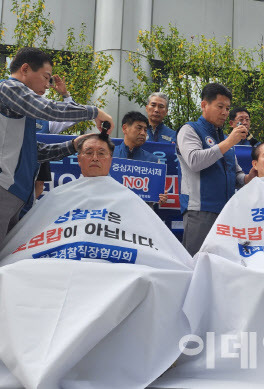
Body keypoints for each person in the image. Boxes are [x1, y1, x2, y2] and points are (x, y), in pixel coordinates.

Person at [0, 47, 114, 245]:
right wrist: (94, 112)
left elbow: (34, 152)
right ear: (25, 69)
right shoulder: (8, 88)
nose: (47, 85)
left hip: (16, 198)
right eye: (46, 77)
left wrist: (73, 145)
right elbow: (49, 109)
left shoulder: (22, 113)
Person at [176, 82, 256, 255]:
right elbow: (194, 161)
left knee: (222, 265)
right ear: (204, 105)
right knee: (195, 264)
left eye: (227, 108)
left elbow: (236, 175)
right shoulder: (189, 130)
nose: (225, 113)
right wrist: (228, 143)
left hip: (226, 212)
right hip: (199, 210)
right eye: (220, 106)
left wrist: (249, 178)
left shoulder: (226, 139)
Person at [113, 111, 167, 205]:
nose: (143, 133)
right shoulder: (108, 155)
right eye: (139, 128)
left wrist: (161, 197)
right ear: (125, 128)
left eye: (145, 130)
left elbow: (156, 195)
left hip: (142, 216)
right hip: (112, 214)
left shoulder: (153, 161)